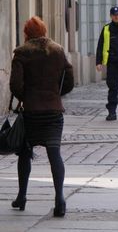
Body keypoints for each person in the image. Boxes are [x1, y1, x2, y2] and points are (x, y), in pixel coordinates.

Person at [10, 16, 74, 217]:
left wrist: (27, 97)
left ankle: (21, 196)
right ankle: (60, 198)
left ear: (26, 33)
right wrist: (55, 94)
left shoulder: (22, 53)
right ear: (44, 31)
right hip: (54, 111)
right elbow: (69, 80)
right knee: (54, 153)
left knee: (24, 153)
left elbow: (15, 85)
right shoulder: (57, 50)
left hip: (32, 112)